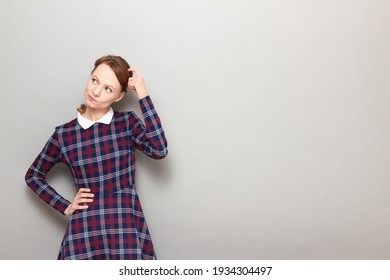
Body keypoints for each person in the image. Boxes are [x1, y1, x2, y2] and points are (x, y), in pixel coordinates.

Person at [25, 55, 168, 260]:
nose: (96, 91)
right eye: (95, 80)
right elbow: (33, 176)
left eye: (108, 88)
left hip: (124, 227)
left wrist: (143, 94)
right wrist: (65, 205)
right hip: (84, 231)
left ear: (119, 97)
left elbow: (159, 149)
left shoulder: (127, 123)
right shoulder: (64, 135)